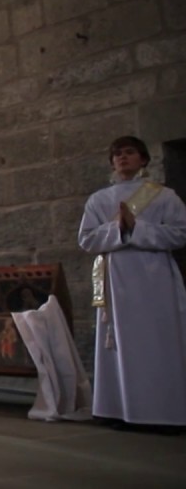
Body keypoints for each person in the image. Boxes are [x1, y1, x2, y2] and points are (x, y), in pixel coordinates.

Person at [78, 135, 186, 431]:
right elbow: (86, 239)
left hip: (154, 278)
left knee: (157, 343)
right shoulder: (99, 200)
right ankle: (118, 409)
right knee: (118, 343)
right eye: (117, 154)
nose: (122, 158)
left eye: (129, 152)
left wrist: (138, 228)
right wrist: (118, 228)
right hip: (115, 276)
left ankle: (164, 412)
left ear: (143, 159)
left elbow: (180, 233)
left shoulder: (163, 196)